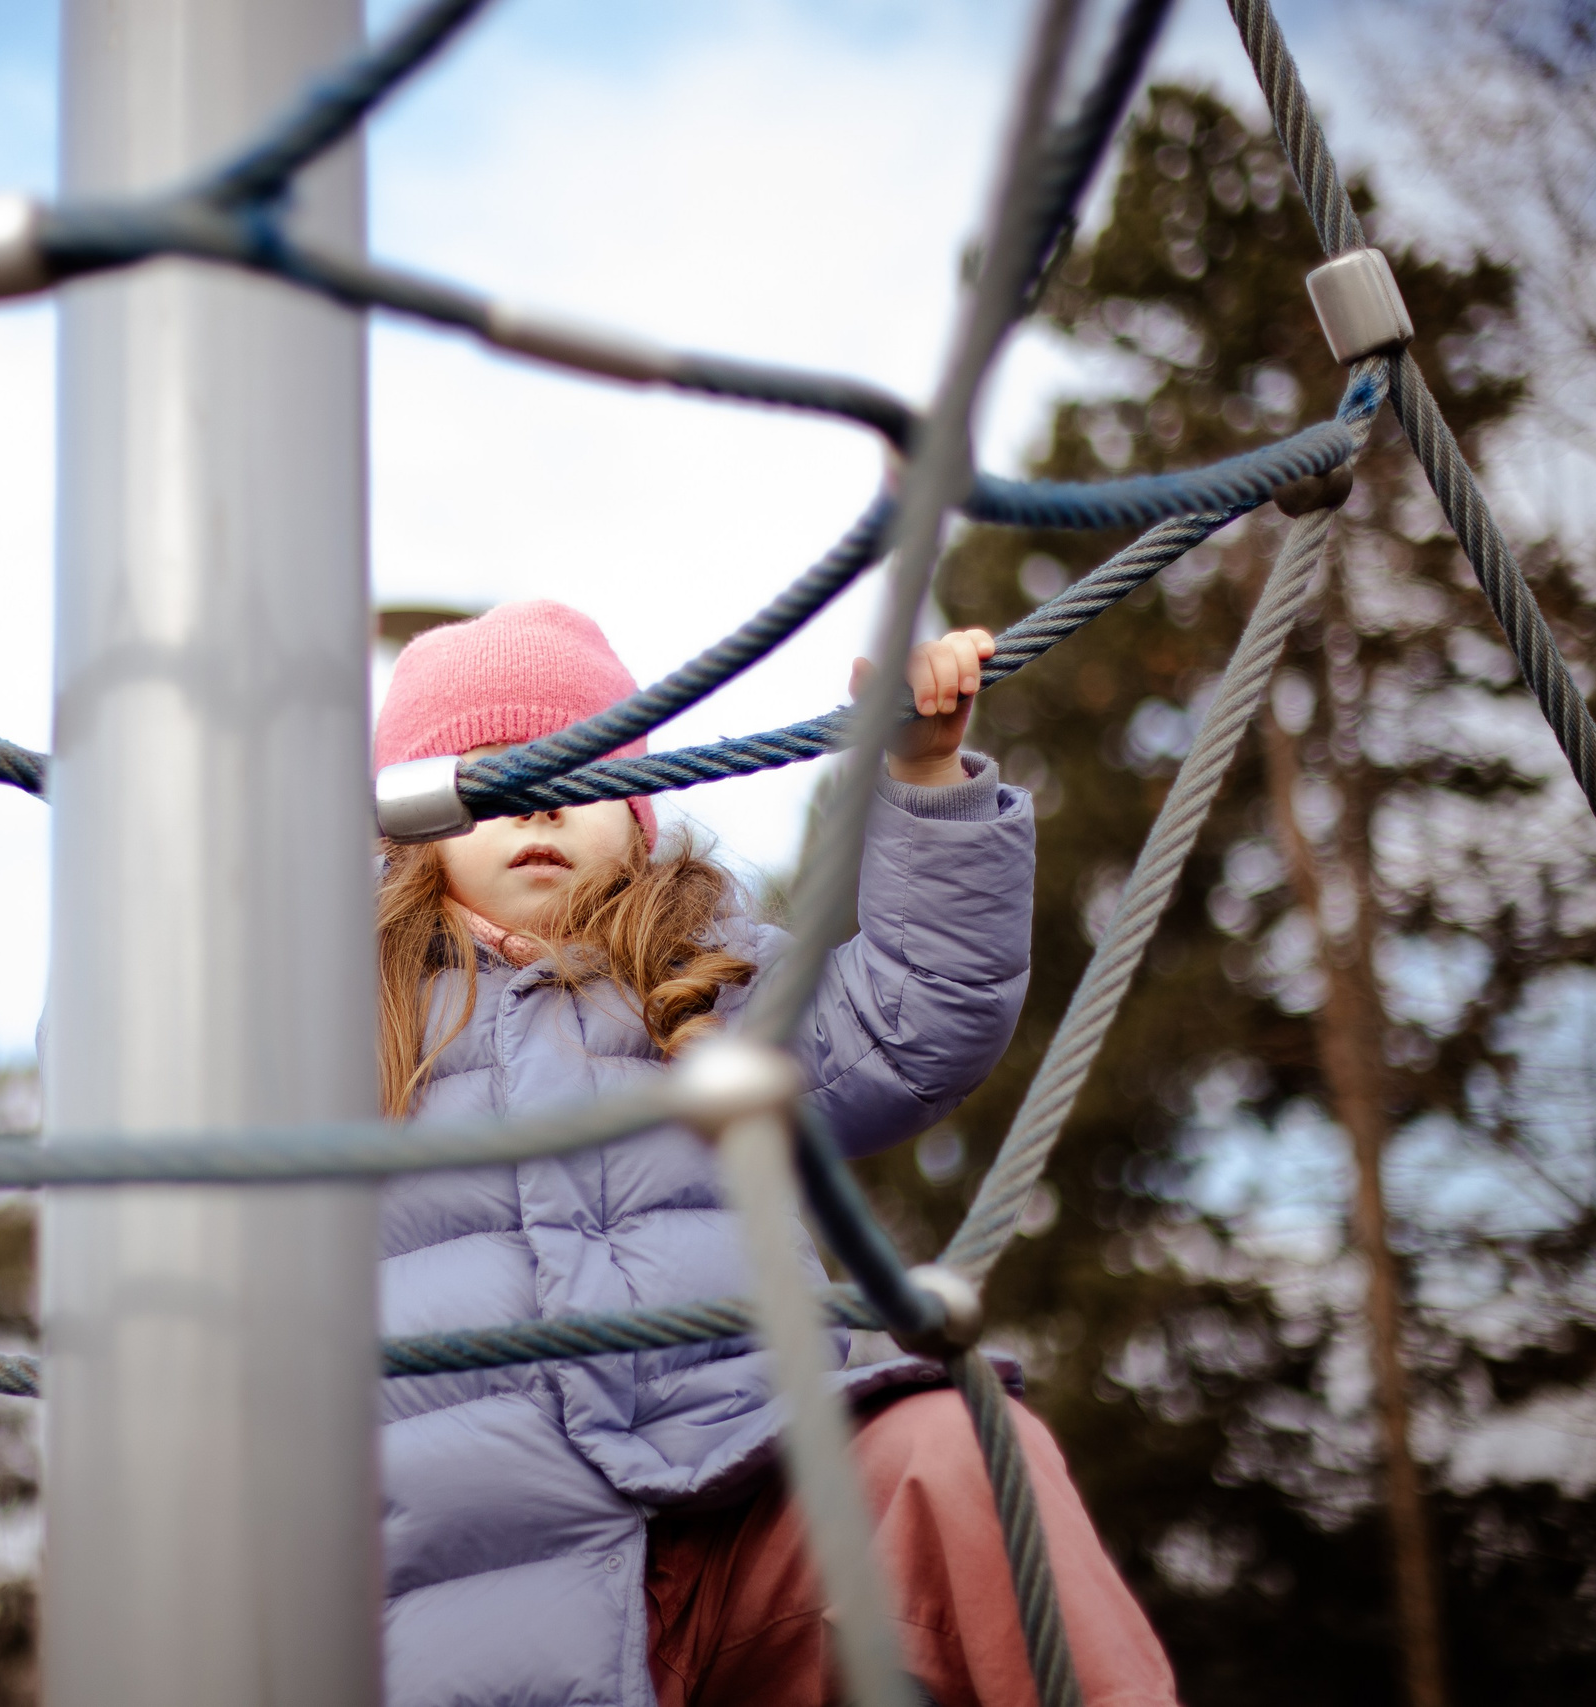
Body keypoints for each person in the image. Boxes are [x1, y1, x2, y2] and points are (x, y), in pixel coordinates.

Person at [373, 600, 1179, 1707]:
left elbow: (917, 1018)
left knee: (957, 1455)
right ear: (409, 820)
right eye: (489, 777)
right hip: (496, 1589)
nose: (538, 807)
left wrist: (928, 778)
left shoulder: (713, 983)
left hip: (752, 1506)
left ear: (643, 815)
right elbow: (138, 1116)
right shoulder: (349, 1024)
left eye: (580, 772)